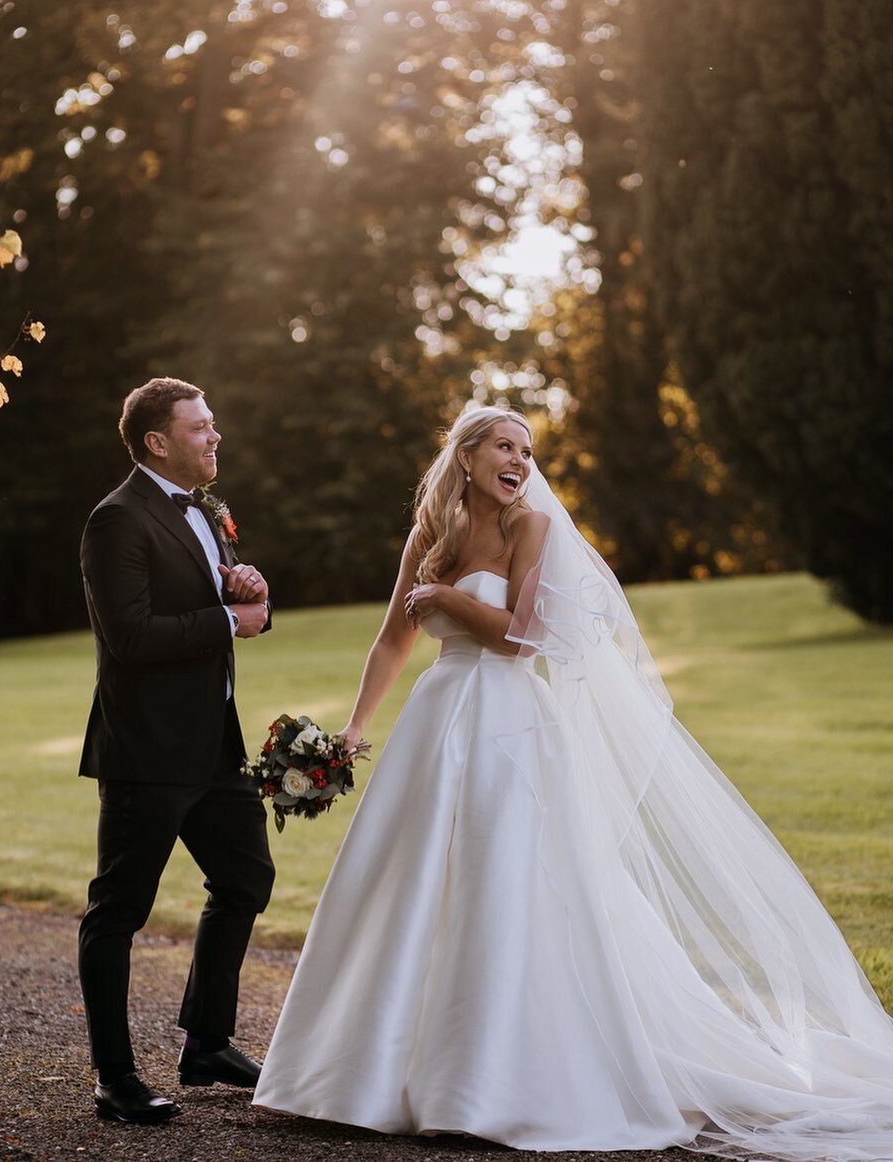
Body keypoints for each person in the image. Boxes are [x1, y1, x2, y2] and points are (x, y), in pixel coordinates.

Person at [254, 406, 893, 1160]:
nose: (519, 459)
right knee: (406, 882)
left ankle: (489, 1084)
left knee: (508, 882)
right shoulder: (430, 536)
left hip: (511, 726)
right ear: (465, 457)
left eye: (526, 449)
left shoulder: (534, 530)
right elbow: (395, 636)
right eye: (504, 445)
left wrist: (453, 601)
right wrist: (353, 731)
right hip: (437, 720)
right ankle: (367, 1076)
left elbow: (524, 639)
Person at [78, 377, 275, 1124]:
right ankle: (114, 1078)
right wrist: (228, 619)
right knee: (118, 909)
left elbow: (212, 601)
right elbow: (129, 638)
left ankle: (206, 1042)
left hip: (213, 747)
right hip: (148, 751)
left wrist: (243, 585)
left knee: (247, 878)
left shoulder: (207, 508)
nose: (214, 437)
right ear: (158, 443)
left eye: (213, 424)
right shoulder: (116, 521)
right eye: (200, 428)